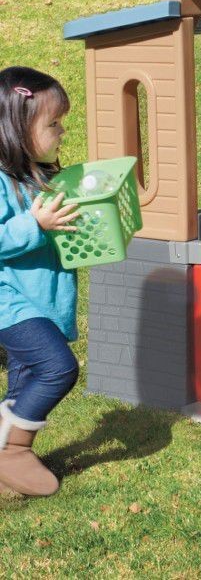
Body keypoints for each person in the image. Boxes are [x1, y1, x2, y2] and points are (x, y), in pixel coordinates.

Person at [0, 66, 81, 496]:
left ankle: (7, 466)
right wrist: (35, 225)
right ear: (16, 126)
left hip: (40, 299)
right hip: (10, 301)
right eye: (53, 123)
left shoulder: (40, 174)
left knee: (27, 378)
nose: (62, 131)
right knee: (57, 367)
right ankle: (11, 449)